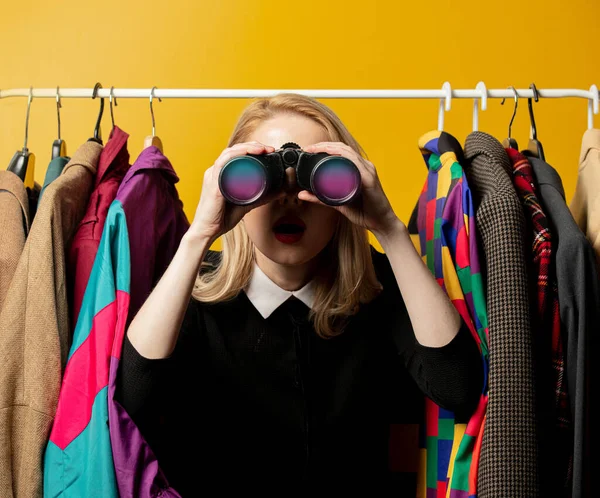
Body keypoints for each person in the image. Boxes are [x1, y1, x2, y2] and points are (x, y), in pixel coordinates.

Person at [115, 93, 483, 496]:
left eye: (314, 180)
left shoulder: (379, 288)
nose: (289, 201)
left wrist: (389, 229)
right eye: (265, 181)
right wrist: (199, 236)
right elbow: (130, 404)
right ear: (231, 188)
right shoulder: (192, 287)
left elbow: (459, 388)